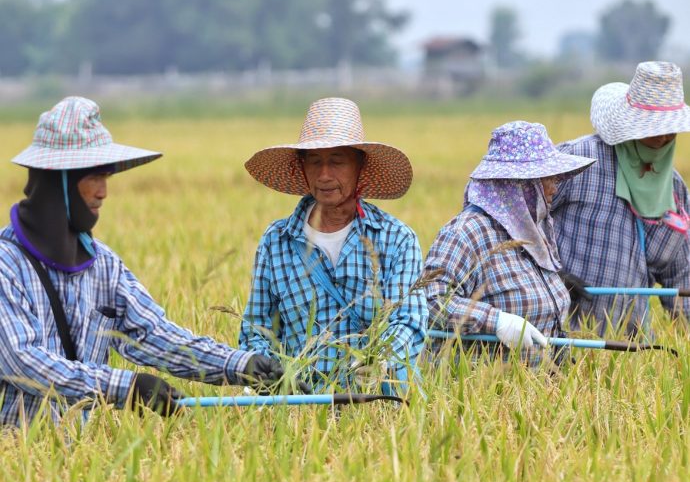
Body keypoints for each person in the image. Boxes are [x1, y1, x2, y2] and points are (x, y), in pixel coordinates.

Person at [0, 96, 292, 427]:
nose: (103, 192)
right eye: (93, 176)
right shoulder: (5, 265)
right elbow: (23, 362)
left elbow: (155, 335)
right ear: (59, 181)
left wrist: (242, 365)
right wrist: (126, 387)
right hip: (12, 459)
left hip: (73, 460)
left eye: (106, 177)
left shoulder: (103, 266)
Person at [240, 97, 428, 394]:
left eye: (337, 161)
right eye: (314, 161)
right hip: (301, 403)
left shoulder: (396, 239)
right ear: (302, 168)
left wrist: (377, 362)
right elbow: (257, 328)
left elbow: (409, 321)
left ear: (360, 166)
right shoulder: (276, 241)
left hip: (377, 400)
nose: (325, 175)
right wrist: (265, 374)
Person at [424, 121, 595, 365]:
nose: (555, 187)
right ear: (519, 184)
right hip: (485, 391)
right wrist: (496, 322)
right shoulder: (467, 233)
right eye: (547, 178)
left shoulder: (535, 231)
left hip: (540, 388)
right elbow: (430, 300)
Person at [552, 61, 690, 336]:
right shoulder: (576, 163)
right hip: (562, 339)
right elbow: (514, 219)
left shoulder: (675, 189)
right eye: (654, 127)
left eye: (670, 128)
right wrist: (550, 275)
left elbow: (682, 279)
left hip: (630, 347)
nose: (664, 136)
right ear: (632, 123)